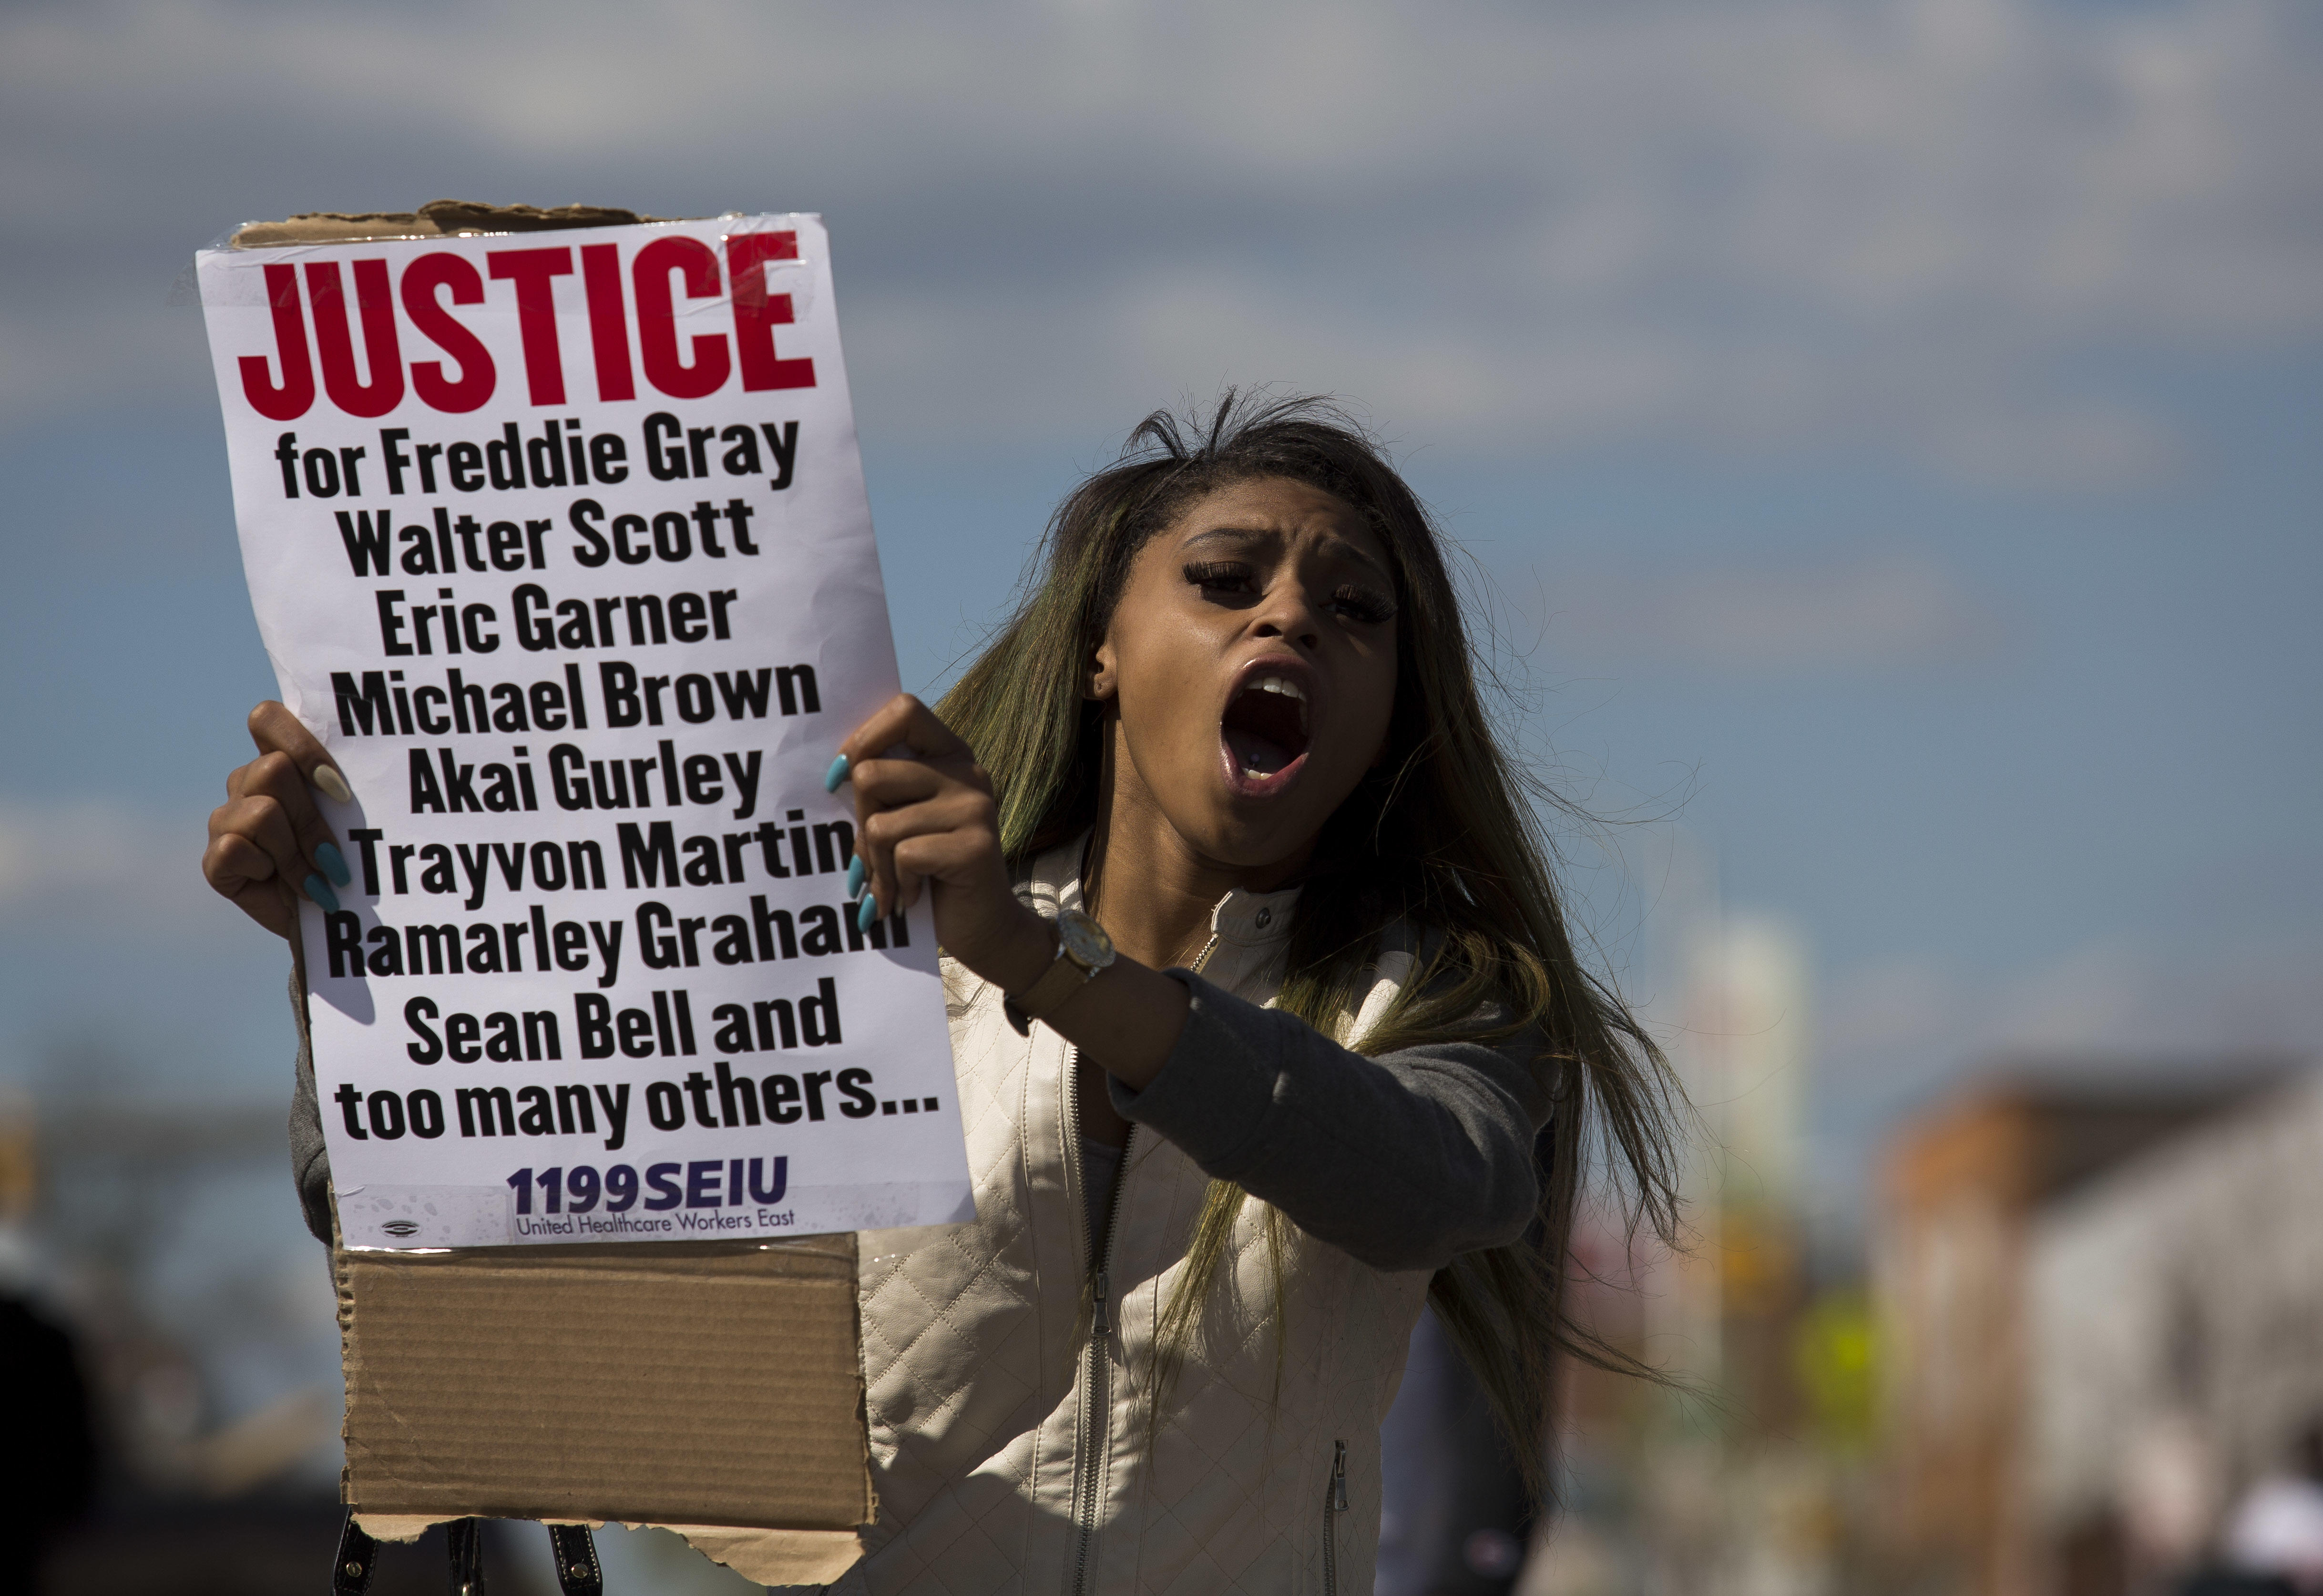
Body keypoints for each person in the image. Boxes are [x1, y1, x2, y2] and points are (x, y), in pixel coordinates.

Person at [203, 394, 1684, 1594]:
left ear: (1388, 711)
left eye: (1353, 608)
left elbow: (1431, 1181)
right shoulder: (865, 962)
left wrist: (1046, 964)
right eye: (1225, 581)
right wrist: (360, 964)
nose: (1286, 619)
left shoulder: (1442, 1003)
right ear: (1105, 648)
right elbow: (477, 1287)